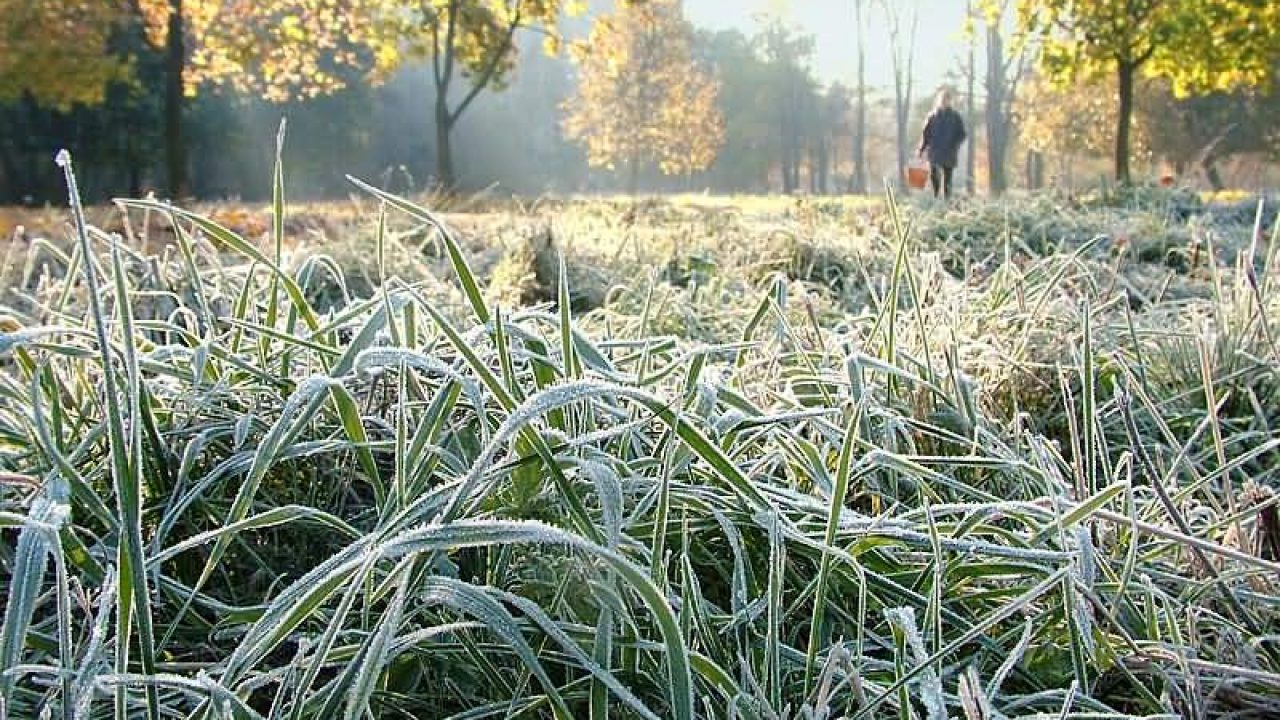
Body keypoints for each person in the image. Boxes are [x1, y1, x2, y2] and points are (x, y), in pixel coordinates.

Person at [917, 88, 967, 199]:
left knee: (948, 178)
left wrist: (955, 144)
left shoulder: (955, 117)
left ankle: (947, 200)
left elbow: (962, 134)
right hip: (935, 151)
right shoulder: (933, 117)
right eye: (943, 99)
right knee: (934, 175)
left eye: (947, 100)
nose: (945, 102)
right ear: (939, 101)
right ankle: (935, 197)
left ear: (950, 101)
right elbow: (926, 134)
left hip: (949, 152)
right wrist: (921, 149)